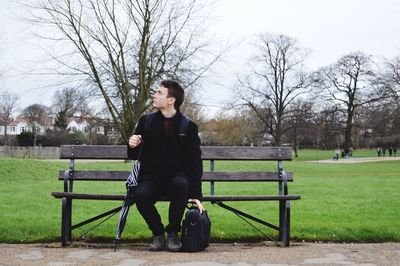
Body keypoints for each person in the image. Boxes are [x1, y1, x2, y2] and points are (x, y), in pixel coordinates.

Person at [127, 80, 204, 252]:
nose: (154, 95)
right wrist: (133, 145)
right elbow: (133, 156)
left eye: (159, 92)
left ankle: (173, 234)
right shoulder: (146, 121)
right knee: (140, 194)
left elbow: (194, 163)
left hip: (176, 178)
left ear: (171, 100)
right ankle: (158, 234)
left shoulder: (188, 126)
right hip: (151, 178)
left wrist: (196, 194)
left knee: (181, 184)